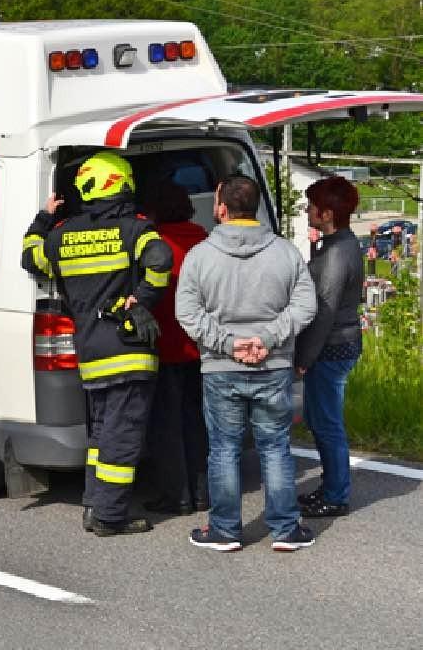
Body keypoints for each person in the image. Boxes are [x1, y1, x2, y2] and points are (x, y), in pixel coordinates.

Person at [22, 151, 173, 536]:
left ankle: (94, 505)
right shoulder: (135, 230)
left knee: (102, 434)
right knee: (122, 439)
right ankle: (109, 517)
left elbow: (29, 256)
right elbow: (161, 259)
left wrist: (45, 216)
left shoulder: (62, 234)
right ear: (121, 183)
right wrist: (141, 300)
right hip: (128, 349)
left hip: (90, 352)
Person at [175, 175, 318, 552]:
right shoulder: (285, 252)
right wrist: (267, 339)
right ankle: (286, 530)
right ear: (254, 206)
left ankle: (224, 530)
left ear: (220, 207)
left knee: (223, 448)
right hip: (273, 366)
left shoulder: (200, 256)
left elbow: (187, 313)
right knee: (275, 447)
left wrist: (229, 344)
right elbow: (305, 306)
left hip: (221, 368)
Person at [294, 176, 364, 520]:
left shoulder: (337, 253)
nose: (307, 210)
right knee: (319, 418)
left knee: (326, 422)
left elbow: (324, 310)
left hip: (332, 345)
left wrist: (304, 358)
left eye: (311, 206)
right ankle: (331, 486)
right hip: (338, 343)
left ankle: (336, 495)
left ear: (326, 213)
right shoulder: (338, 244)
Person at [139, 180, 208, 516]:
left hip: (166, 344)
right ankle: (201, 491)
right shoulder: (203, 239)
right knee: (196, 421)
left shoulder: (155, 244)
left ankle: (175, 495)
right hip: (200, 346)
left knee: (167, 425)